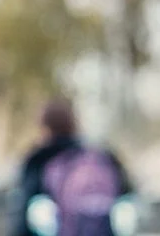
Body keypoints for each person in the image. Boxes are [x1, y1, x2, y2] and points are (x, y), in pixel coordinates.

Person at [15, 98, 135, 236]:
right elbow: (128, 198)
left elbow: (22, 221)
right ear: (74, 124)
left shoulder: (39, 161)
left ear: (44, 127)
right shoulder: (103, 156)